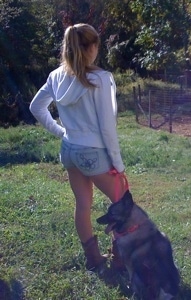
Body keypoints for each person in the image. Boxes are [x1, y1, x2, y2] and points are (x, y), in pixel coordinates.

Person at [29, 23, 127, 276]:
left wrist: (61, 132)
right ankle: (119, 259)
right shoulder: (100, 79)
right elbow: (107, 127)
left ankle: (94, 261)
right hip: (93, 153)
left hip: (69, 150)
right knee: (123, 203)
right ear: (92, 47)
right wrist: (118, 164)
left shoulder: (55, 76)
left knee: (82, 205)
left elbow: (36, 108)